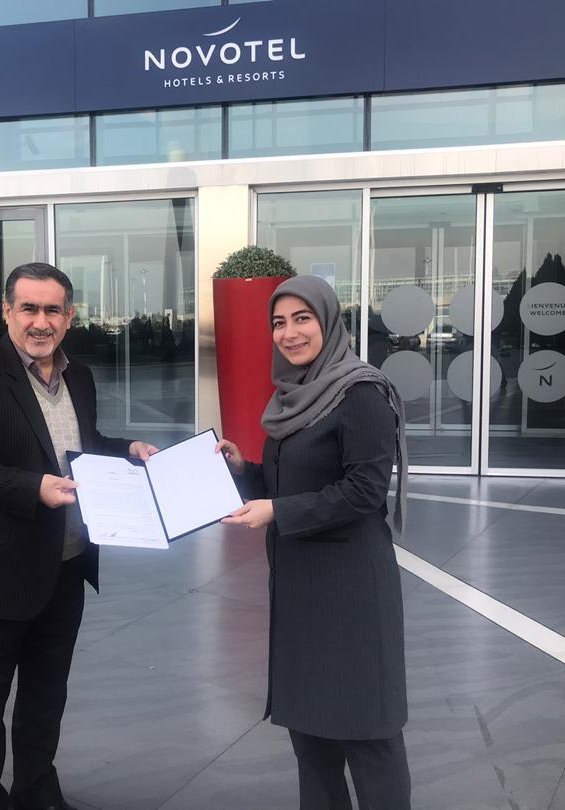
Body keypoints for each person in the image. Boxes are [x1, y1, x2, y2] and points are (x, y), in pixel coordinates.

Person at [0, 262, 158, 810]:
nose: (40, 321)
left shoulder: (80, 377)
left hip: (65, 566)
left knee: (46, 695)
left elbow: (80, 445)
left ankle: (37, 793)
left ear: (69, 317)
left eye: (53, 310)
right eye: (28, 308)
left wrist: (126, 450)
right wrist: (32, 488)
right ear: (7, 312)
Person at [216, 275, 411, 810]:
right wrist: (244, 471)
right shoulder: (293, 395)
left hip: (351, 590)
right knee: (311, 735)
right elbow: (289, 483)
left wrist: (278, 512)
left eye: (302, 318)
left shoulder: (361, 394)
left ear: (328, 321)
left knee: (367, 732)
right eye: (279, 322)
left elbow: (364, 491)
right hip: (300, 588)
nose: (289, 333)